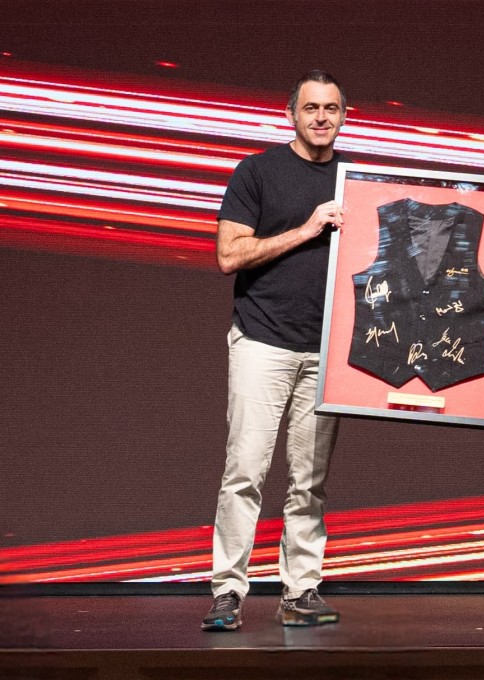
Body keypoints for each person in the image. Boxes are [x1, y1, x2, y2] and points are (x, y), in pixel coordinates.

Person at [201, 70, 347, 631]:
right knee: (244, 471)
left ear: (343, 115)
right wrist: (308, 228)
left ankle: (301, 591)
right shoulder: (258, 171)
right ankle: (227, 594)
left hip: (328, 352)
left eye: (330, 108)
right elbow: (228, 256)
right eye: (310, 107)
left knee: (308, 480)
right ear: (292, 113)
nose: (320, 117)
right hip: (262, 341)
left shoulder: (357, 180)